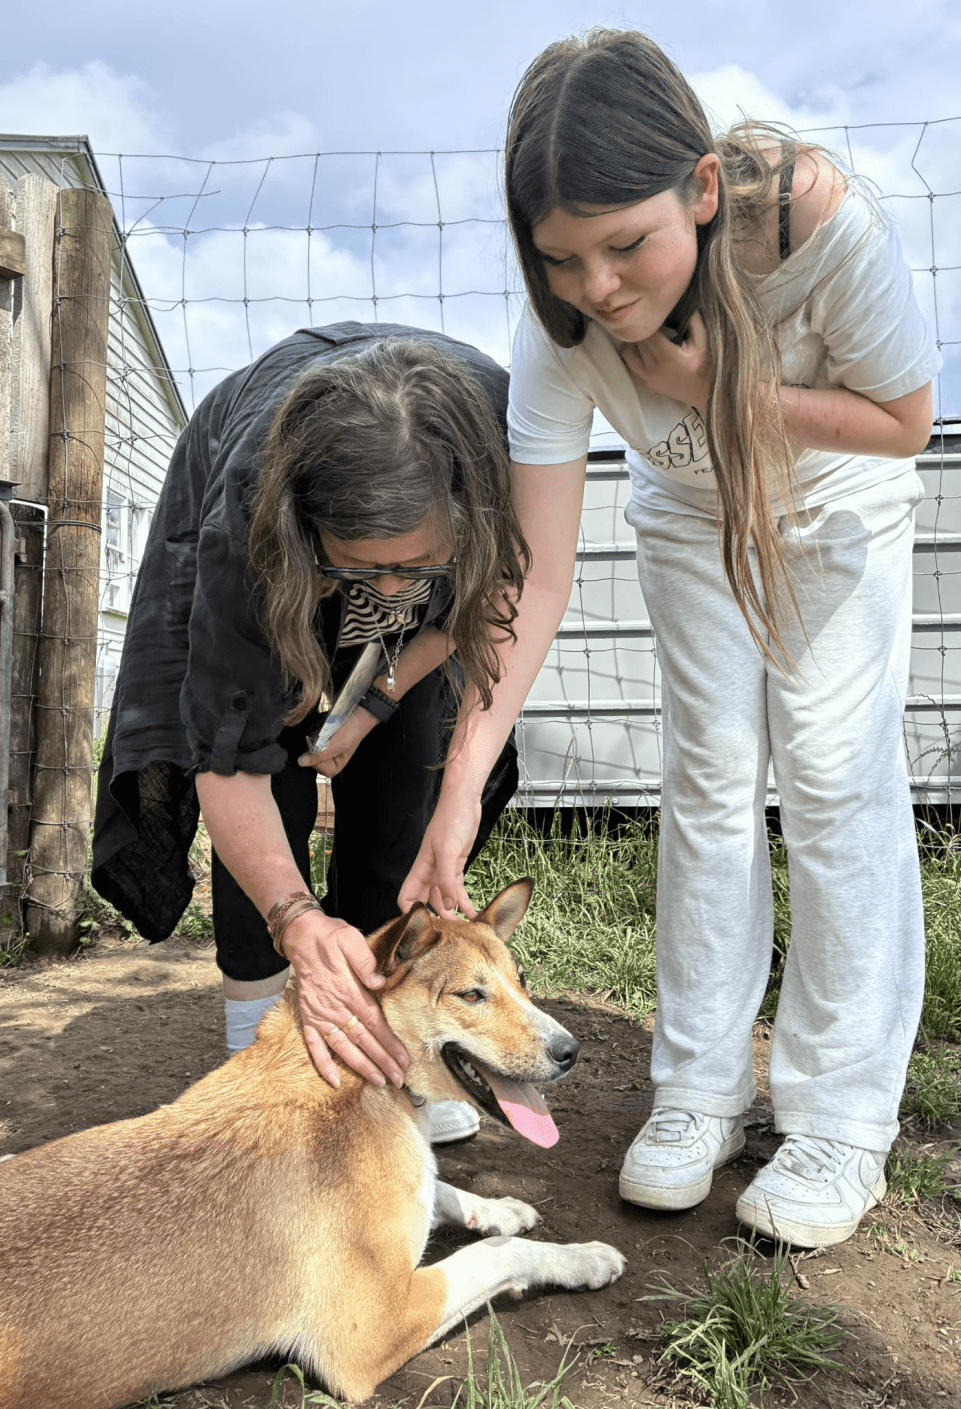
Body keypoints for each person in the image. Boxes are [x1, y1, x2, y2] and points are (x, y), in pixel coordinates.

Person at [400, 29, 938, 1244]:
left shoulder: (808, 221)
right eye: (561, 257)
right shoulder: (561, 328)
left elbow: (905, 420)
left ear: (700, 189)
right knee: (706, 782)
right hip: (690, 515)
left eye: (624, 245)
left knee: (832, 777)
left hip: (834, 497)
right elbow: (532, 576)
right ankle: (700, 1088)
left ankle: (839, 1117)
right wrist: (459, 783)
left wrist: (717, 393)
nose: (596, 286)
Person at [92, 323, 528, 1142]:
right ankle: (257, 1056)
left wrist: (377, 698)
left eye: (413, 569)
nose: (390, 595)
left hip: (443, 553)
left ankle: (389, 1054)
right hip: (264, 545)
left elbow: (506, 601)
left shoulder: (513, 448)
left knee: (410, 777)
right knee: (271, 754)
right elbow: (231, 759)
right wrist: (295, 918)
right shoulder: (250, 510)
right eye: (365, 570)